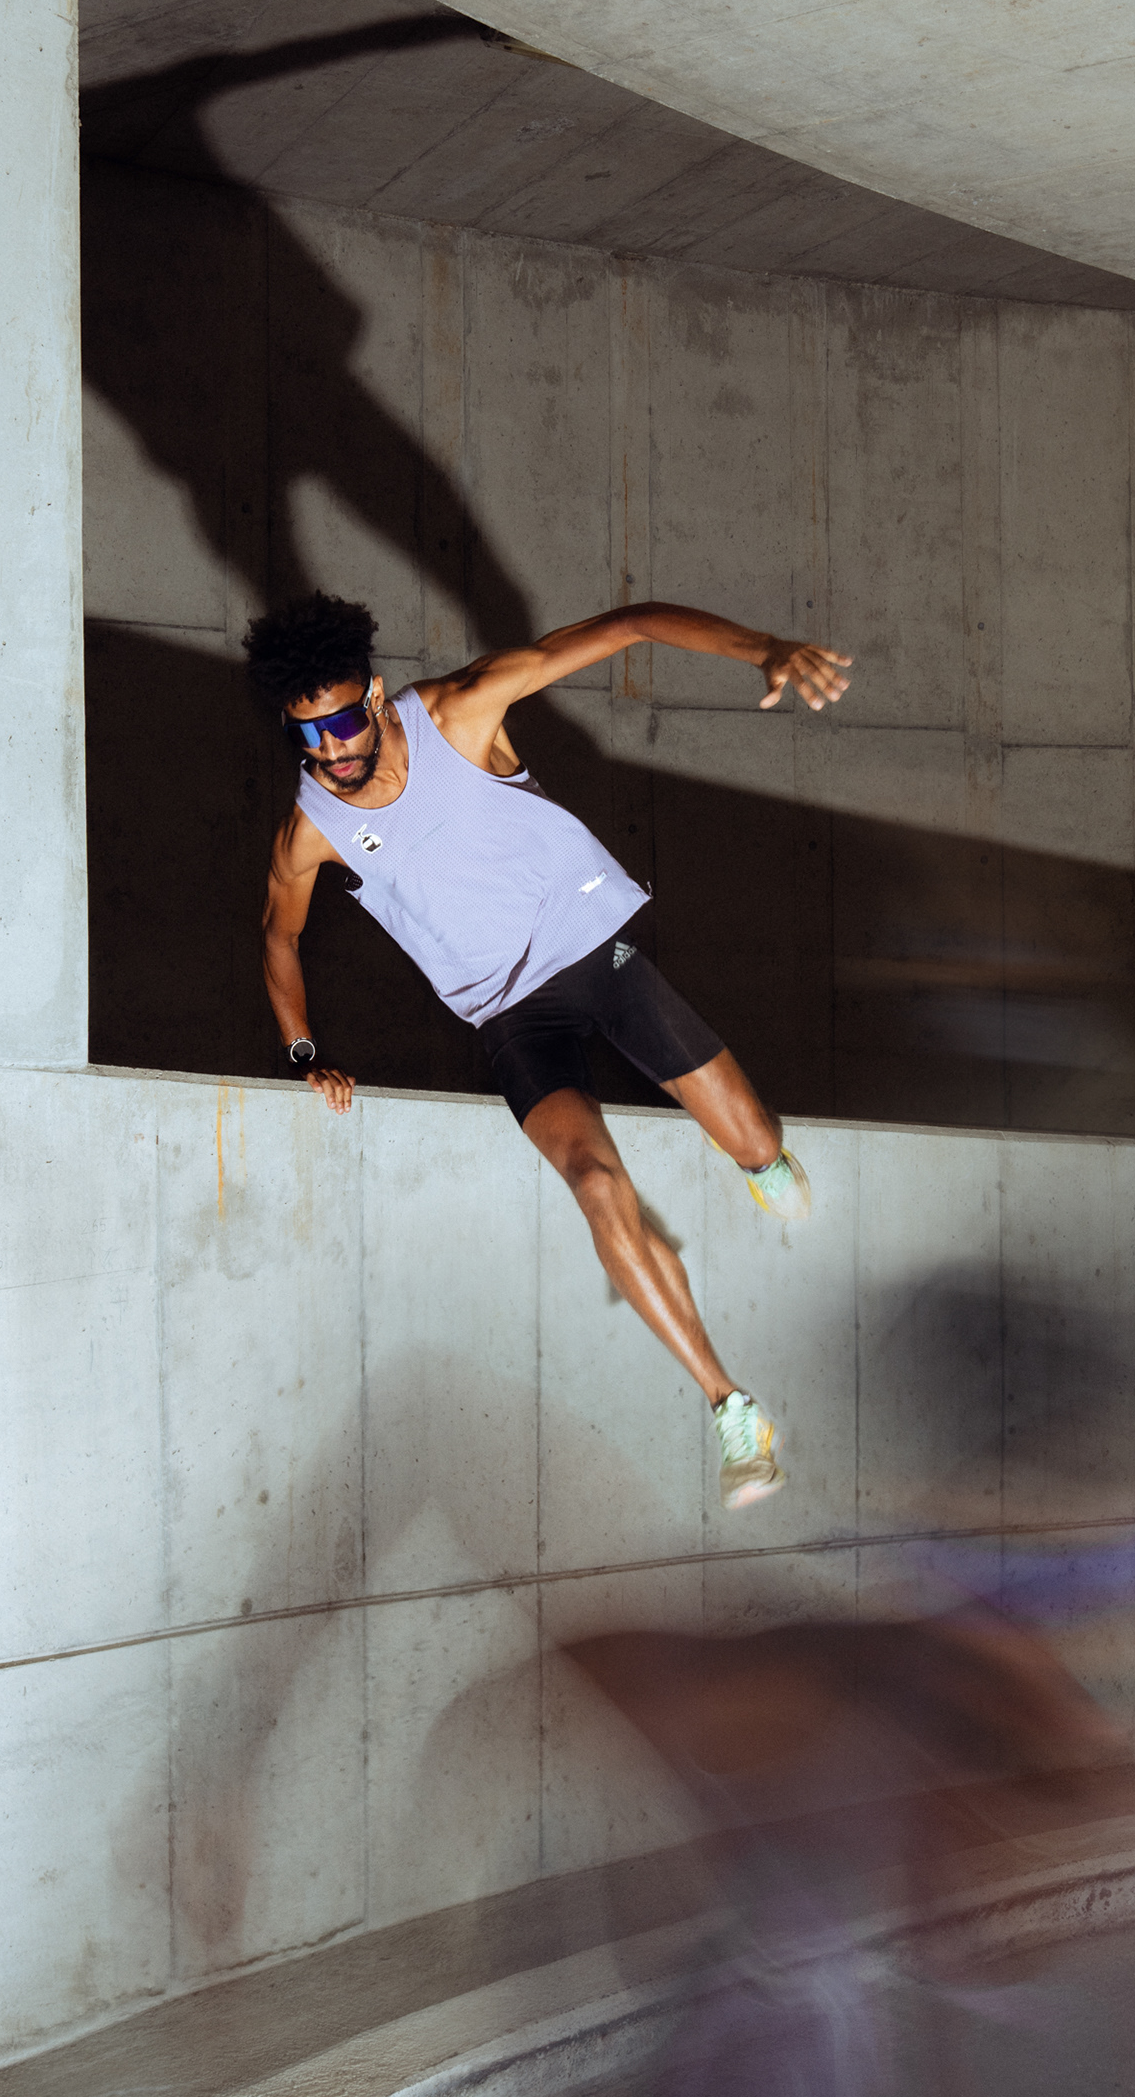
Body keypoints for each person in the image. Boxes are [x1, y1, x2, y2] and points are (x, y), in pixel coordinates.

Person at [247, 591, 853, 1508]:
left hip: (596, 955)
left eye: (339, 723)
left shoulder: (462, 710)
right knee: (598, 1189)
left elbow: (631, 624)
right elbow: (278, 937)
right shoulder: (311, 828)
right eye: (308, 736)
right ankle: (733, 1409)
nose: (331, 751)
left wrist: (764, 646)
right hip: (509, 1019)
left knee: (754, 1145)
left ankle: (761, 1162)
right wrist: (302, 1052)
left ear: (372, 696)